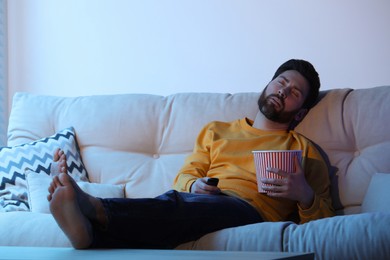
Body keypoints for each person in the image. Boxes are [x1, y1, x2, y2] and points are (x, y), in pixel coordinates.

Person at [48, 59, 334, 250]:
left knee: (177, 205)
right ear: (268, 85)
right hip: (203, 201)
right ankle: (89, 234)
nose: (283, 91)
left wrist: (304, 195)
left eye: (294, 92)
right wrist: (194, 185)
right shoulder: (217, 131)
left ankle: (94, 207)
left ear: (300, 112)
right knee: (179, 204)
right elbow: (185, 176)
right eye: (280, 82)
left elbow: (325, 226)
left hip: (251, 212)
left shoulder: (303, 151)